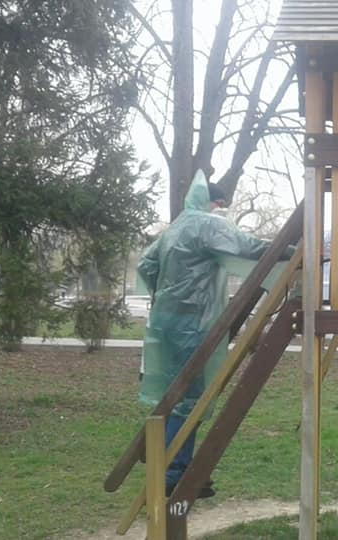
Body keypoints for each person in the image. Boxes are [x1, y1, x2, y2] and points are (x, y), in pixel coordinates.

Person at [137, 169, 274, 498]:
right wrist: (293, 248)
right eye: (220, 205)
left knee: (175, 394)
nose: (221, 211)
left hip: (167, 321)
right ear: (212, 201)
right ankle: (174, 473)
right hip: (191, 324)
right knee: (189, 399)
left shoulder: (177, 226)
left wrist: (166, 291)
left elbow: (145, 264)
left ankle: (172, 464)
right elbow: (246, 245)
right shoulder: (206, 224)